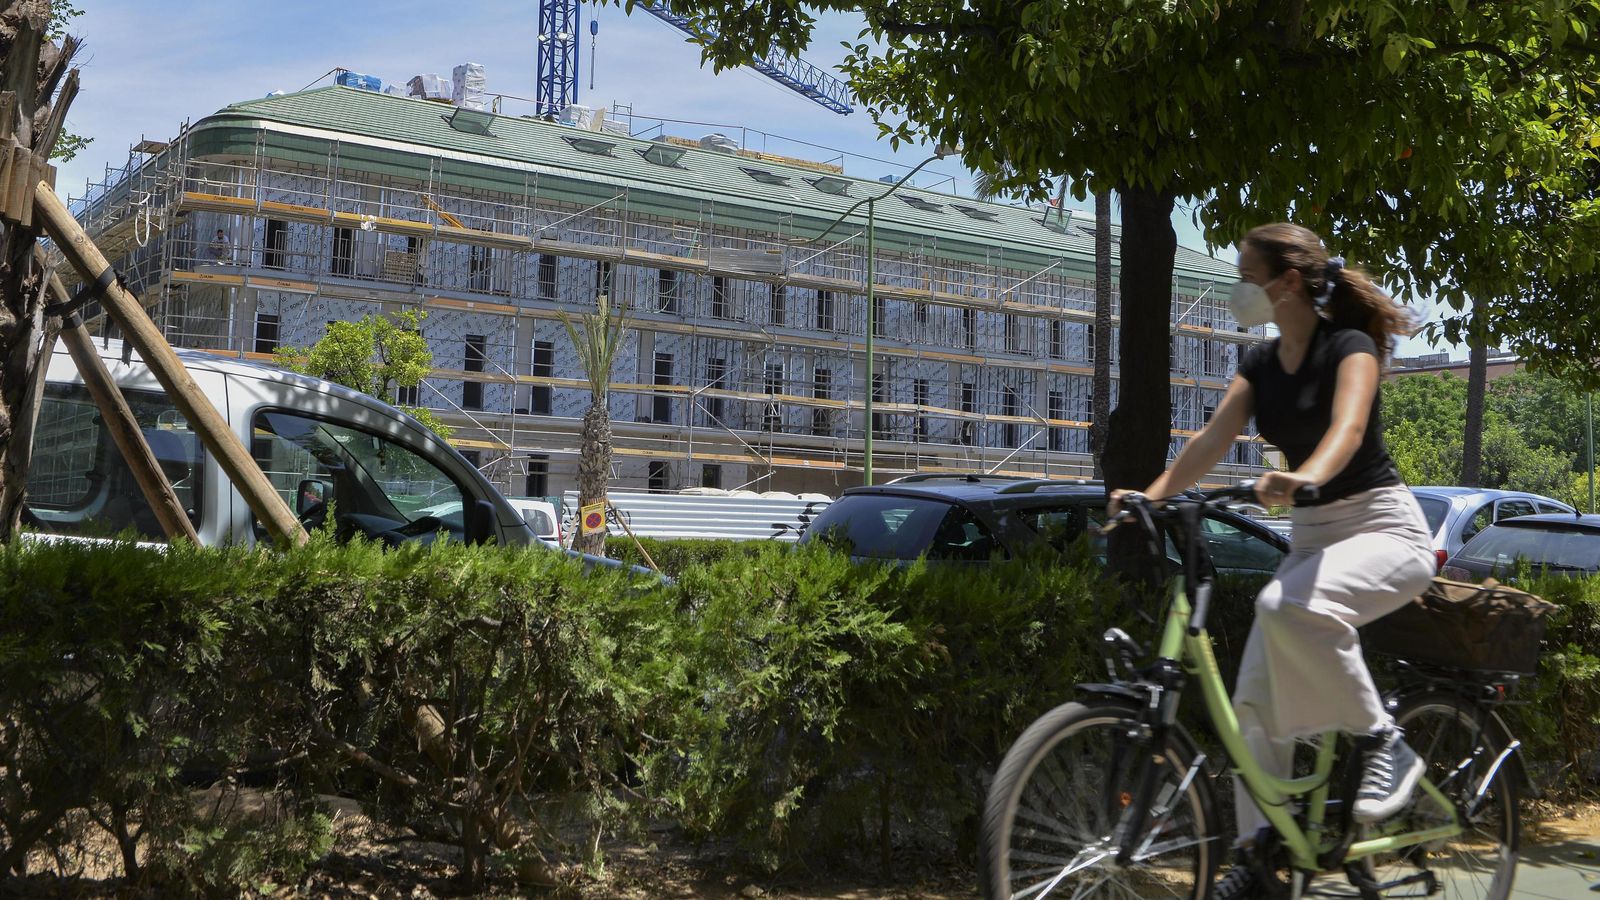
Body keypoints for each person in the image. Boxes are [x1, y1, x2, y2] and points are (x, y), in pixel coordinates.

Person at [1110, 223, 1436, 898]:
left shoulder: (1349, 347)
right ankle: (1259, 855)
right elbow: (1210, 439)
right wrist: (1150, 496)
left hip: (1384, 529)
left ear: (1288, 282)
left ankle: (1383, 741)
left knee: (1285, 605)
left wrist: (1303, 476)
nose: (1238, 290)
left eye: (1246, 276)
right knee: (1254, 705)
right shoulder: (1260, 365)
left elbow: (1346, 430)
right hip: (1314, 539)